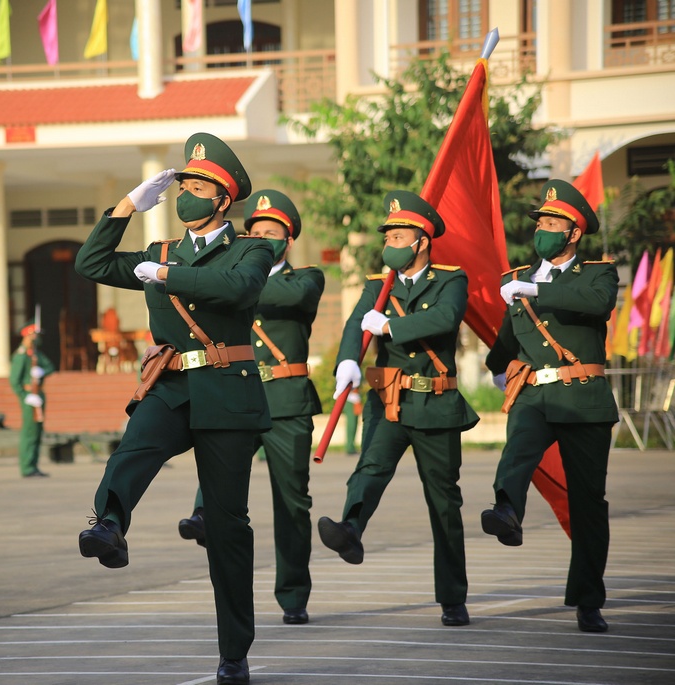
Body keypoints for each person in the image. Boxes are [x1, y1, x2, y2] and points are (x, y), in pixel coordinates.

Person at [74, 132, 273, 685]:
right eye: (183, 182)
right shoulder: (158, 248)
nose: (187, 191)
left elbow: (234, 289)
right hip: (171, 386)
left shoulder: (252, 248)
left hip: (228, 391)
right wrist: (125, 209)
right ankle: (109, 523)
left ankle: (234, 651)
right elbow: (91, 264)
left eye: (199, 185)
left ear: (223, 200)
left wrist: (165, 276)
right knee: (135, 447)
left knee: (228, 528)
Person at [318, 190, 478, 627]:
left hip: (434, 400)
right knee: (370, 467)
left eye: (400, 233)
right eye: (388, 233)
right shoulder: (378, 283)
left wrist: (391, 325)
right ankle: (351, 529)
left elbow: (444, 319)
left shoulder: (450, 279)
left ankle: (452, 596)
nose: (390, 241)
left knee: (443, 502)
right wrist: (348, 359)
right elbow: (356, 323)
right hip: (388, 398)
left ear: (422, 241)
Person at [176, 189, 325, 626]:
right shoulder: (232, 274)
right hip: (240, 395)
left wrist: (233, 284)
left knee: (292, 503)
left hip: (285, 402)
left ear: (288, 240)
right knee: (220, 480)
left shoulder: (307, 278)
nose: (263, 238)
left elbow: (285, 297)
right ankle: (203, 514)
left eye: (272, 233)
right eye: (255, 232)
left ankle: (293, 594)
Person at [483, 179, 618, 633]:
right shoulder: (515, 281)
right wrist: (495, 365)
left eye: (552, 222)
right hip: (536, 394)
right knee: (518, 448)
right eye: (540, 221)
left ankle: (588, 599)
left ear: (574, 233)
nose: (543, 229)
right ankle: (507, 510)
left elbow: (597, 305)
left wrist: (535, 291)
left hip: (584, 400)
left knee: (587, 503)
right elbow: (506, 341)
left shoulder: (597, 274)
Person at [9, 321, 54, 478]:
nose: (37, 337)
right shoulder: (21, 356)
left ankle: (33, 464)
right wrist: (25, 396)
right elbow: (14, 381)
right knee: (29, 432)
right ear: (27, 336)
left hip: (39, 394)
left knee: (37, 432)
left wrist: (41, 371)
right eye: (34, 334)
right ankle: (27, 467)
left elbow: (50, 367)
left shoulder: (36, 354)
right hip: (29, 397)